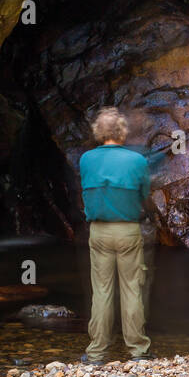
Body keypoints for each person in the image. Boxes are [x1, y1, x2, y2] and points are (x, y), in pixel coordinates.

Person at [80, 106, 152, 363]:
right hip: (128, 231)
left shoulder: (86, 159)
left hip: (98, 231)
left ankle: (97, 352)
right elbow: (144, 194)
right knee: (132, 289)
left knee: (101, 291)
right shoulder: (138, 161)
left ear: (99, 132)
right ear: (122, 132)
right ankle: (137, 350)